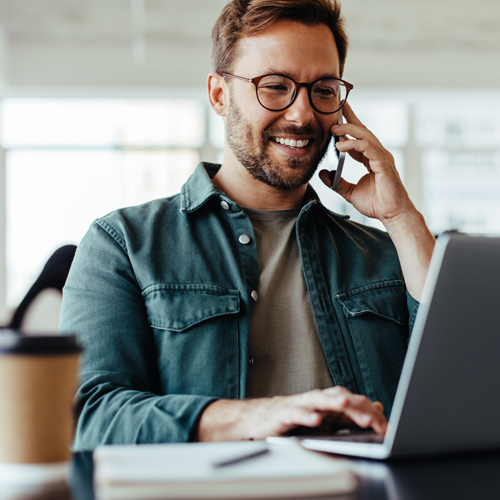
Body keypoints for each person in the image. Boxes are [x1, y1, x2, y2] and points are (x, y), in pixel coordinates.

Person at [60, 0, 436, 450]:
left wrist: (401, 217)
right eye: (275, 86)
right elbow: (87, 417)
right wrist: (258, 415)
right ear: (219, 95)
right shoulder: (123, 245)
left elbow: (464, 385)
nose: (301, 114)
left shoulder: (385, 253)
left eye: (323, 89)